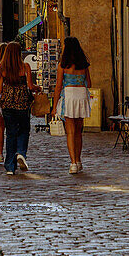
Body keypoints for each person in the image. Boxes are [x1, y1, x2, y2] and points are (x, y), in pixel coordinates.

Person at [0, 41, 36, 175]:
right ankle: (21, 152)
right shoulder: (25, 67)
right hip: (22, 102)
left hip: (7, 103)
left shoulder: (3, 68)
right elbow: (30, 86)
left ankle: (10, 166)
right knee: (24, 129)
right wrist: (38, 88)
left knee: (10, 133)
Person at [51, 36, 92, 174]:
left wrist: (54, 105)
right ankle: (79, 160)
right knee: (79, 131)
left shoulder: (63, 65)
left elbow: (58, 87)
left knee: (70, 131)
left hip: (69, 95)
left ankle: (73, 162)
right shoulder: (84, 64)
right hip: (81, 94)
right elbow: (89, 83)